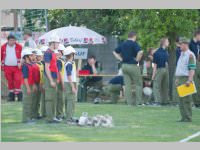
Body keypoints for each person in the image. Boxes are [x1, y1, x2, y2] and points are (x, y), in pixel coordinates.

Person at [113, 31, 143, 106]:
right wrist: (137, 60)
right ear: (134, 36)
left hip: (124, 66)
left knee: (127, 85)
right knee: (138, 84)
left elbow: (114, 52)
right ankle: (138, 102)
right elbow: (140, 52)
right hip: (132, 66)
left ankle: (129, 103)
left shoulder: (123, 43)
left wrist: (120, 59)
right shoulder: (134, 43)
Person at [175, 37, 196, 122]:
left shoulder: (190, 55)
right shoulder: (182, 54)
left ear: (186, 44)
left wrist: (190, 80)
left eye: (181, 44)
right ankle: (183, 117)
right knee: (180, 100)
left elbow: (192, 68)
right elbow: (180, 68)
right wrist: (177, 78)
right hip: (180, 78)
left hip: (185, 79)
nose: (180, 46)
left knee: (186, 100)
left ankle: (188, 117)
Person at [44, 35, 60, 123]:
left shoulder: (53, 52)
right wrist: (50, 80)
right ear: (53, 43)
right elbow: (47, 67)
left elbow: (55, 67)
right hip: (49, 78)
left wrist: (56, 78)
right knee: (49, 99)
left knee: (53, 98)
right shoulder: (48, 53)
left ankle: (52, 117)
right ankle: (49, 118)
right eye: (57, 43)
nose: (58, 44)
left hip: (54, 78)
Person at [1, 34, 23, 101]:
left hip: (17, 67)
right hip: (7, 67)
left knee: (18, 80)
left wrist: (21, 62)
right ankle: (11, 96)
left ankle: (19, 96)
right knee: (10, 81)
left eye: (14, 40)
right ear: (8, 40)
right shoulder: (3, 47)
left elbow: (22, 56)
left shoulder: (19, 46)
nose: (12, 42)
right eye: (11, 40)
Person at [152, 38, 169, 106]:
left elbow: (155, 65)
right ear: (163, 43)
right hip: (165, 70)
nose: (168, 42)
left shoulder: (156, 52)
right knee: (165, 86)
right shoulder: (166, 52)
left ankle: (157, 101)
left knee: (156, 86)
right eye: (167, 41)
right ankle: (164, 101)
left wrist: (153, 75)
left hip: (160, 70)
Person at [21, 48, 36, 123]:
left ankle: (29, 118)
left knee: (30, 102)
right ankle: (25, 119)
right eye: (30, 55)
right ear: (26, 57)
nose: (32, 56)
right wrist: (28, 88)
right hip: (26, 85)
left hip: (30, 85)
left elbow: (31, 77)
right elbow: (25, 78)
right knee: (27, 103)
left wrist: (33, 85)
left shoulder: (29, 65)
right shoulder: (25, 66)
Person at [63, 46, 77, 123]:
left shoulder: (69, 63)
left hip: (68, 83)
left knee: (69, 101)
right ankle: (69, 118)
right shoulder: (69, 64)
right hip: (70, 83)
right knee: (70, 101)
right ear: (71, 54)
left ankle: (69, 116)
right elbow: (69, 76)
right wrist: (73, 87)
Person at [32, 49, 44, 120]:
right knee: (34, 100)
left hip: (41, 83)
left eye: (40, 56)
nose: (40, 57)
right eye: (39, 56)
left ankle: (37, 113)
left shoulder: (41, 64)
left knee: (38, 100)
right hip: (36, 83)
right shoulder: (34, 64)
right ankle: (33, 114)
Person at [189, 30, 200, 108]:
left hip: (199, 63)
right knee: (194, 82)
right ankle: (195, 102)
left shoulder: (198, 44)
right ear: (197, 35)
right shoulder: (190, 44)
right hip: (193, 63)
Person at [55, 44, 66, 120]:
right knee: (60, 99)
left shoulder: (61, 60)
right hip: (59, 82)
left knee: (61, 99)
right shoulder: (58, 61)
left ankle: (60, 113)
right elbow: (59, 73)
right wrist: (62, 84)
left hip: (60, 81)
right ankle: (59, 114)